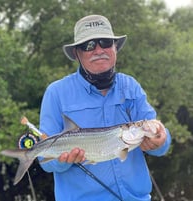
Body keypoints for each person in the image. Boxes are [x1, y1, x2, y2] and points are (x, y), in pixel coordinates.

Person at [39, 14, 171, 201]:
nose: (98, 50)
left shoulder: (130, 86)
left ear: (115, 47)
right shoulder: (56, 93)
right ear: (77, 53)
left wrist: (160, 139)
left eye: (105, 42)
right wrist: (62, 162)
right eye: (89, 45)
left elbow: (161, 143)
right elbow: (45, 162)